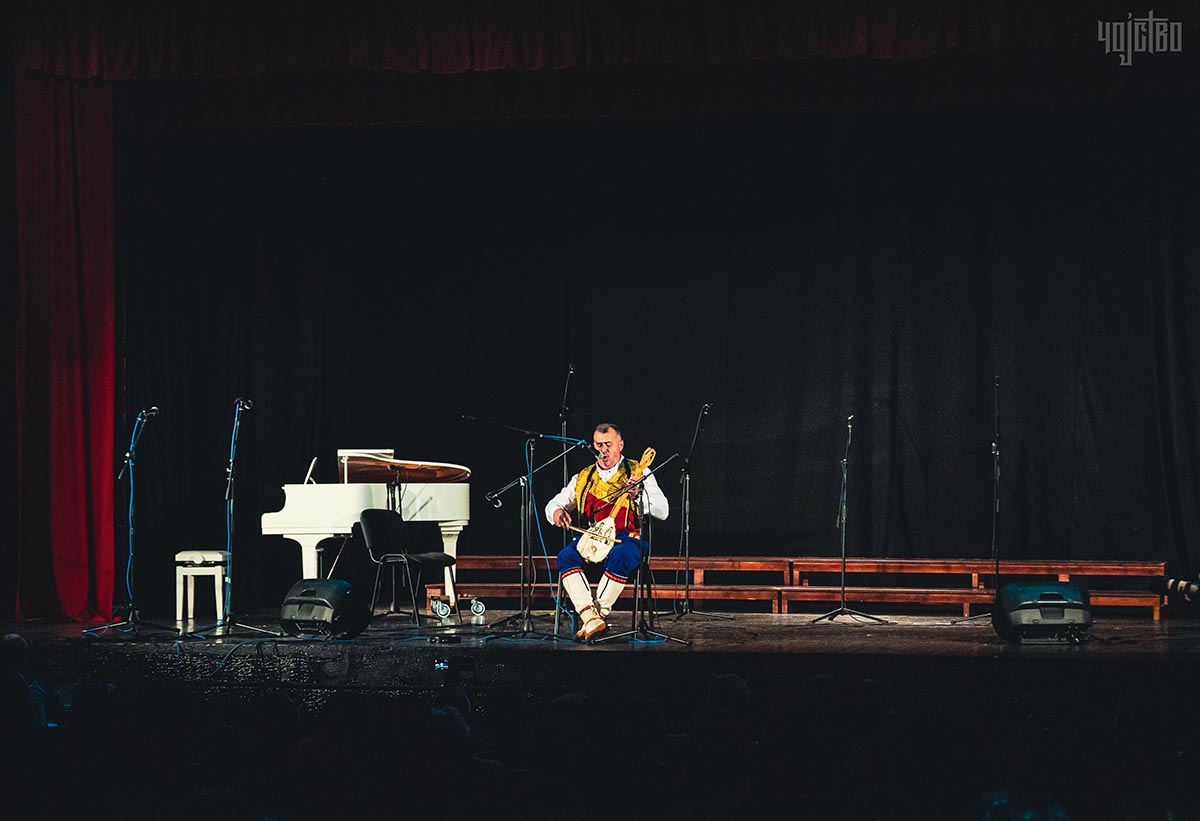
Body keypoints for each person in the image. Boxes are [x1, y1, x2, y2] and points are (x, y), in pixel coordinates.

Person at [546, 422, 669, 640]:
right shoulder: (583, 477)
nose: (603, 450)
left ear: (620, 445)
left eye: (608, 445)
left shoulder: (638, 472)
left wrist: (638, 495)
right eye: (599, 445)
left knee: (622, 555)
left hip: (626, 539)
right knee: (566, 556)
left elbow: (663, 510)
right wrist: (556, 512)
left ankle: (594, 617)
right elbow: (554, 504)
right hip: (593, 538)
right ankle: (592, 619)